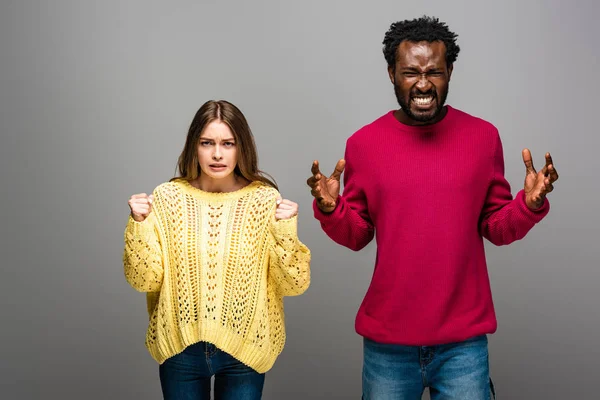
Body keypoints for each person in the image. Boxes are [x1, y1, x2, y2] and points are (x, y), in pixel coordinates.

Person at [307, 16, 558, 400]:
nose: (423, 83)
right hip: (388, 346)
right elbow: (358, 235)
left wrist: (528, 204)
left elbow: (496, 227)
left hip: (463, 346)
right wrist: (330, 209)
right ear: (391, 73)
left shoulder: (482, 137)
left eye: (434, 72)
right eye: (410, 72)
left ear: (450, 72)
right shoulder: (363, 144)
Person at [123, 100, 311, 400]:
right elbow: (143, 281)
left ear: (242, 147)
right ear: (194, 147)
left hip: (245, 349)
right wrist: (140, 224)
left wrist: (286, 230)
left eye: (228, 143)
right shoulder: (168, 198)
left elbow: (293, 284)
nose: (217, 154)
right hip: (180, 347)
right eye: (207, 143)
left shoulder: (264, 200)